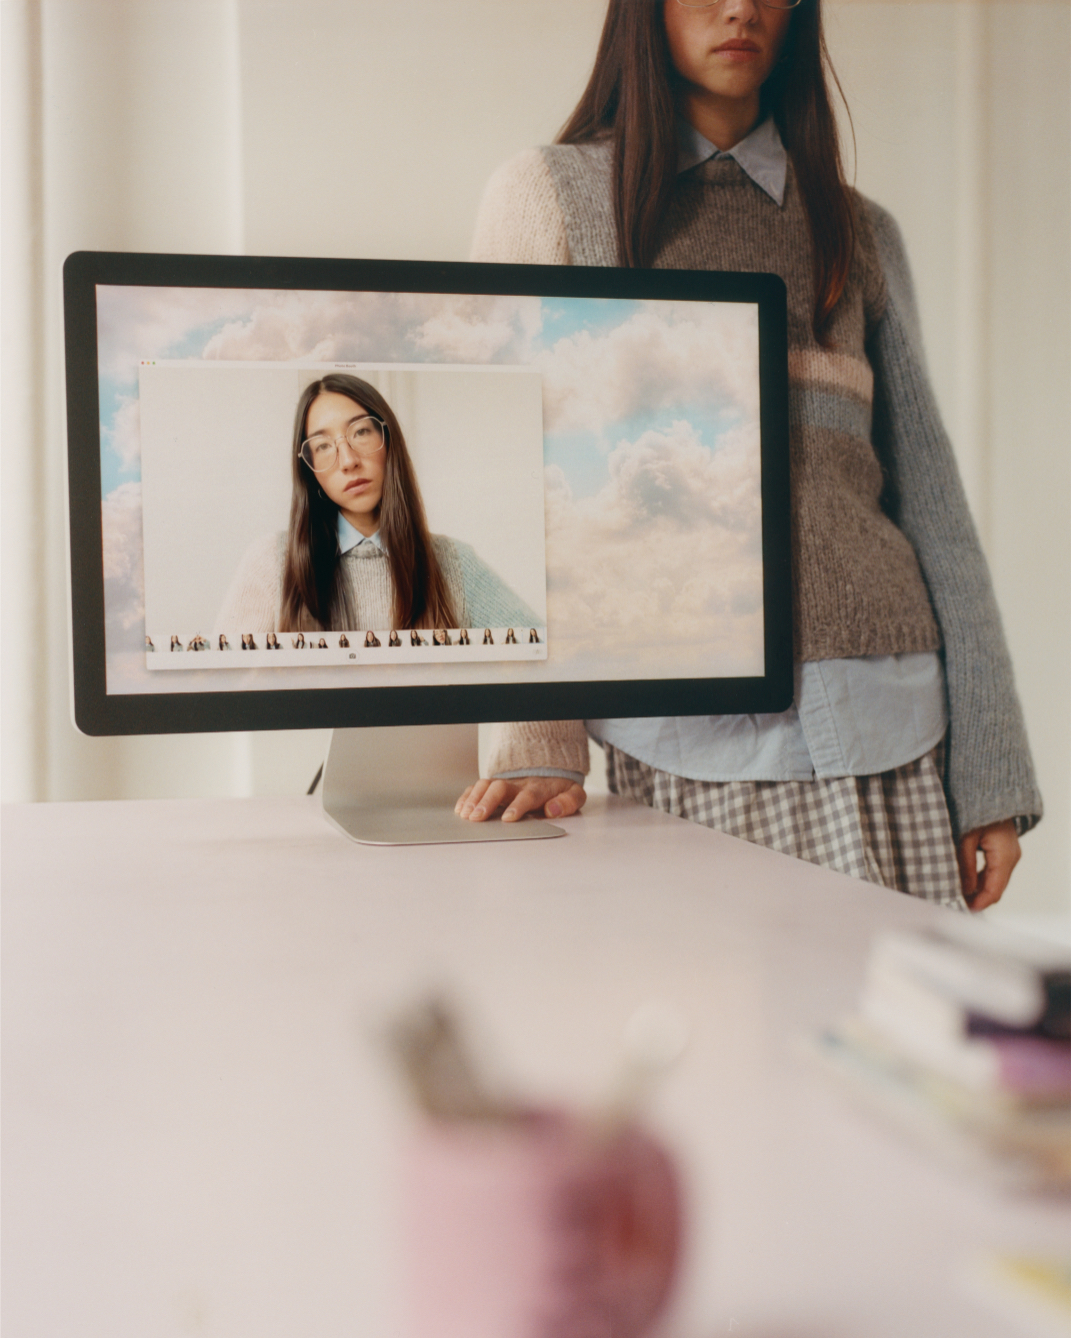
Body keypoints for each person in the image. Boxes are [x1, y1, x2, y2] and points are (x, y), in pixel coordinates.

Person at [456, 0, 1042, 912]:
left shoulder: (857, 230)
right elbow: (503, 477)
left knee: (901, 1049)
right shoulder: (552, 196)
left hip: (897, 726)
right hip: (694, 735)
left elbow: (933, 510)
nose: (741, 8)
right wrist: (537, 737)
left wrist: (990, 775)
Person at [214, 373, 538, 640]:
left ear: (388, 440)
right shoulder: (271, 563)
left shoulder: (453, 562)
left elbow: (545, 658)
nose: (349, 461)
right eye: (324, 446)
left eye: (361, 432)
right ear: (310, 471)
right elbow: (227, 697)